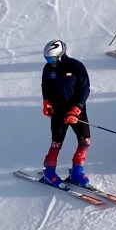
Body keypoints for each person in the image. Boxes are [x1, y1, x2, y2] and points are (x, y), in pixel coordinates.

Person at [40, 40, 91, 186]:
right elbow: (45, 87)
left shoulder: (76, 66)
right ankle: (49, 172)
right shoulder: (48, 69)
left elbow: (85, 89)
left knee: (85, 141)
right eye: (47, 59)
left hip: (76, 111)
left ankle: (77, 172)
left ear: (61, 55)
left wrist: (77, 109)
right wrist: (46, 102)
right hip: (58, 111)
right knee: (57, 142)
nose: (50, 63)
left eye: (52, 59)